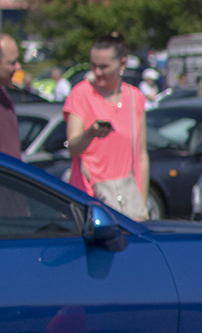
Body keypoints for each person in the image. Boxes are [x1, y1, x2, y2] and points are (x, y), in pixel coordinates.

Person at [63, 32, 152, 220]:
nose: (97, 72)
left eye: (104, 67)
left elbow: (141, 156)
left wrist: (141, 202)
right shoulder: (81, 94)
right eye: (93, 65)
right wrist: (90, 133)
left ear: (122, 64)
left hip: (125, 201)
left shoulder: (134, 98)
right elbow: (73, 148)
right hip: (88, 198)